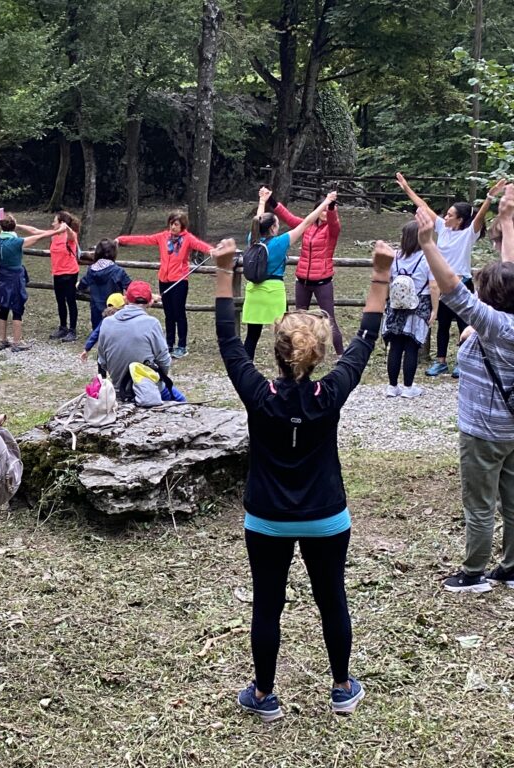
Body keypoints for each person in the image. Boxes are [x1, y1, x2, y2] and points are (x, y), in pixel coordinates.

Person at [212, 235, 390, 722]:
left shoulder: (258, 393)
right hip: (326, 517)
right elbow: (365, 341)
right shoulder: (329, 393)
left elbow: (228, 341)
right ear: (318, 356)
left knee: (267, 605)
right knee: (332, 600)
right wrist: (379, 274)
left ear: (275, 352)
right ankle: (342, 688)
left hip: (266, 519)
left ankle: (263, 694)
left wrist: (224, 269)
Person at [402, 198, 514, 592]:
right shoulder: (502, 321)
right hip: (512, 431)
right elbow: (508, 275)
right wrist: (507, 221)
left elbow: (453, 290)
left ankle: (473, 574)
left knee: (480, 505)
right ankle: (511, 568)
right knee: (513, 502)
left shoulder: (495, 325)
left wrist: (428, 243)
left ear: (491, 298)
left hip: (484, 433)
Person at [395, 173, 507, 378]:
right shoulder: (442, 229)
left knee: (465, 324)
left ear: (460, 220)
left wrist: (490, 196)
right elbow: (423, 206)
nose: (445, 217)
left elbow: (480, 216)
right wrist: (406, 187)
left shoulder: (468, 233)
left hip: (462, 283)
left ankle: (462, 362)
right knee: (443, 325)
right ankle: (441, 362)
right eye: (445, 214)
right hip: (443, 285)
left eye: (449, 215)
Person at [243, 189, 337, 359]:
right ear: (273, 228)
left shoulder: (253, 239)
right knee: (283, 336)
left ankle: (244, 368)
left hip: (253, 292)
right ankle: (284, 368)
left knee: (252, 336)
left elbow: (258, 219)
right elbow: (307, 222)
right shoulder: (280, 242)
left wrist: (262, 201)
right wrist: (326, 201)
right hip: (273, 292)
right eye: (277, 224)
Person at [115, 210, 216, 357]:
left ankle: (182, 346)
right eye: (171, 224)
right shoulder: (162, 236)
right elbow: (143, 239)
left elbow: (200, 245)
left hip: (179, 281)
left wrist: (211, 250)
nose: (173, 227)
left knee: (179, 313)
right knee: (168, 314)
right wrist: (122, 239)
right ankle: (169, 344)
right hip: (164, 280)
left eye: (176, 224)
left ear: (182, 226)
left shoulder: (187, 238)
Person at [269, 191, 344, 355]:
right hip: (302, 281)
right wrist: (271, 200)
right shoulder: (307, 225)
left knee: (329, 320)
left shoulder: (332, 229)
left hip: (322, 282)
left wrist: (330, 204)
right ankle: (299, 353)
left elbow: (333, 219)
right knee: (299, 320)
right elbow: (288, 217)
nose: (325, 213)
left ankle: (341, 356)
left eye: (328, 210)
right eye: (322, 210)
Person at [95, 280, 170, 399]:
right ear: (150, 302)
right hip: (149, 388)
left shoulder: (106, 323)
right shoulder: (152, 323)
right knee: (180, 399)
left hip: (118, 387)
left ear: (126, 299)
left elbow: (102, 361)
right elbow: (164, 360)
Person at [382, 222, 431, 398]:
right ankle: (409, 387)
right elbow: (434, 285)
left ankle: (392, 386)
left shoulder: (394, 257)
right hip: (419, 303)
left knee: (395, 346)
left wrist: (386, 302)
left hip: (395, 305)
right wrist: (435, 309)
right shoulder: (426, 258)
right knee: (412, 347)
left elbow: (387, 281)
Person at [0, 214, 55, 352]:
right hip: (15, 278)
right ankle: (17, 341)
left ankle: (1, 339)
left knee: (3, 307)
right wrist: (58, 231)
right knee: (17, 308)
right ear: (14, 226)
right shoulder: (17, 242)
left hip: (2, 278)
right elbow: (39, 237)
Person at [21, 211, 80, 342]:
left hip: (70, 273)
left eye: (55, 221)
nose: (52, 223)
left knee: (70, 301)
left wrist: (66, 227)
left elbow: (71, 234)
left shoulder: (70, 235)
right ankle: (63, 327)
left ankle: (73, 331)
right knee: (60, 301)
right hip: (57, 273)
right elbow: (35, 231)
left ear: (61, 223)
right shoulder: (54, 235)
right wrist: (17, 225)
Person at [77, 239, 132, 330]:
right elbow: (131, 288)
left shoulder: (91, 270)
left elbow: (82, 285)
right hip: (115, 309)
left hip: (96, 309)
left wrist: (78, 285)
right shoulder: (118, 271)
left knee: (98, 332)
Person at [79, 292, 125, 363]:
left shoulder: (105, 320)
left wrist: (86, 349)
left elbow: (95, 333)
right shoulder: (127, 319)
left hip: (107, 353)